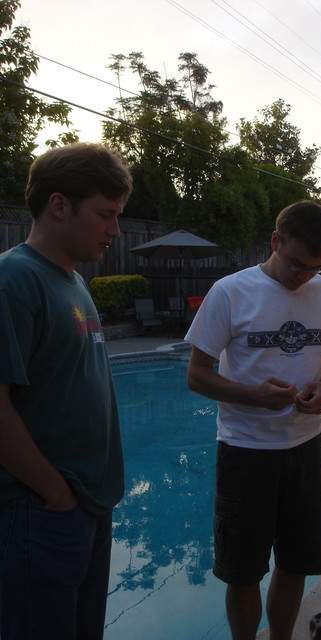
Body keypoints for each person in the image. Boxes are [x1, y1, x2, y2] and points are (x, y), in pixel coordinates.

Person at [185, 200, 321, 640]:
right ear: (276, 242)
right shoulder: (230, 291)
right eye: (297, 264)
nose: (304, 276)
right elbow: (197, 376)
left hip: (306, 450)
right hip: (245, 452)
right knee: (242, 571)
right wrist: (255, 397)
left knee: (297, 562)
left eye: (315, 268)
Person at [0, 142, 133, 640]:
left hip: (83, 508)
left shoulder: (72, 282)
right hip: (40, 512)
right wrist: (56, 495)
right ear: (59, 205)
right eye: (105, 215)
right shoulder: (14, 280)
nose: (114, 230)